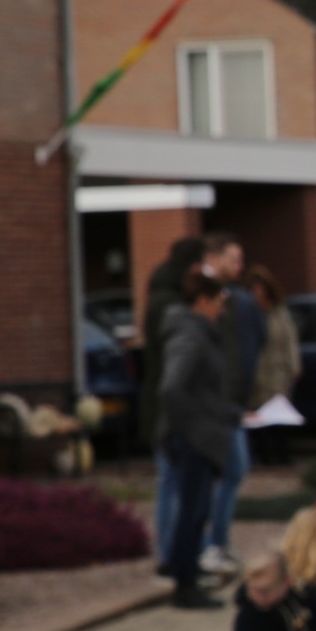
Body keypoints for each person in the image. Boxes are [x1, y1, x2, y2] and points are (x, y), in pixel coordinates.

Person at [158, 271, 243, 609]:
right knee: (192, 512)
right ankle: (185, 585)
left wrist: (231, 413)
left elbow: (203, 391)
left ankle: (188, 576)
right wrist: (190, 428)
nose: (222, 308)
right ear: (202, 301)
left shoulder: (202, 333)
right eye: (219, 301)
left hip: (202, 435)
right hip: (194, 439)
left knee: (197, 510)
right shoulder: (190, 335)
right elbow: (171, 388)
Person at [142, 235, 206, 571]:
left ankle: (177, 552)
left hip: (167, 403)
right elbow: (173, 370)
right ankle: (171, 554)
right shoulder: (171, 304)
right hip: (171, 408)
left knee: (173, 482)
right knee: (172, 482)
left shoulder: (164, 296)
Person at [201, 233, 263, 577]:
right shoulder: (204, 300)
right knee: (226, 471)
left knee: (233, 470)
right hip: (215, 405)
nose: (239, 266)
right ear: (213, 258)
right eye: (233, 259)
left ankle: (217, 542)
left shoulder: (238, 300)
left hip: (232, 404)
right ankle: (209, 545)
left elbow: (253, 345)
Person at [246, 263, 301, 466]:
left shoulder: (279, 312)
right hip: (258, 371)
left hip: (278, 370)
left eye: (261, 288)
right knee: (260, 414)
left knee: (280, 413)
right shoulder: (249, 313)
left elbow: (290, 340)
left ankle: (282, 454)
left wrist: (294, 365)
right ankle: (264, 455)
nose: (258, 293)